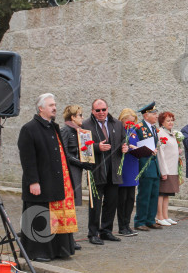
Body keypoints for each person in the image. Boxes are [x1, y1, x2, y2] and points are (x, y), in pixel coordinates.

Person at [17, 93, 77, 262]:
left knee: (54, 217)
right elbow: (27, 158)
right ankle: (37, 252)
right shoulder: (29, 128)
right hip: (40, 182)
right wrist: (33, 181)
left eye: (55, 104)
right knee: (38, 215)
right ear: (41, 108)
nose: (54, 107)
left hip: (55, 182)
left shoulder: (53, 127)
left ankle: (58, 250)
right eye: (50, 105)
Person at [82, 98, 126, 245]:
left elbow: (123, 141)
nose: (101, 113)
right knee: (95, 203)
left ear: (107, 109)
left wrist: (124, 147)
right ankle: (93, 233)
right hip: (96, 170)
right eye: (97, 110)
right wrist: (96, 147)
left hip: (113, 170)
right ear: (92, 111)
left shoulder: (117, 124)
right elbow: (81, 148)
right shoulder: (85, 125)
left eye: (103, 110)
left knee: (111, 202)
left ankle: (106, 231)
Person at [60, 104, 92, 250]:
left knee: (71, 205)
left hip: (76, 169)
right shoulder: (65, 131)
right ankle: (67, 239)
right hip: (70, 170)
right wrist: (80, 162)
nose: (82, 117)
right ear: (72, 117)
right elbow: (65, 153)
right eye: (79, 115)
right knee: (68, 205)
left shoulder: (78, 131)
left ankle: (69, 237)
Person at [133, 102, 162, 231]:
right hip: (144, 164)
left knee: (154, 194)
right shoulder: (139, 128)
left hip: (154, 165)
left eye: (156, 113)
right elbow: (136, 145)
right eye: (153, 114)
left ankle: (150, 219)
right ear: (146, 115)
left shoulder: (153, 128)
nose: (156, 116)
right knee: (144, 194)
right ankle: (140, 221)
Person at [117, 108, 140, 237]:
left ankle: (127, 224)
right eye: (129, 121)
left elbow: (136, 143)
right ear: (123, 120)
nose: (131, 123)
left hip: (133, 165)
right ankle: (122, 226)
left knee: (131, 198)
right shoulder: (120, 130)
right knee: (122, 198)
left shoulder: (133, 131)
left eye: (133, 121)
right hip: (123, 166)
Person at [156, 111, 181, 226]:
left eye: (172, 120)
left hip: (172, 168)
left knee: (167, 194)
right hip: (165, 168)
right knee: (161, 193)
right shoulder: (161, 133)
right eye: (168, 120)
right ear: (162, 122)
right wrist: (163, 171)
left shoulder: (171, 133)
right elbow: (160, 153)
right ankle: (159, 216)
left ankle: (165, 216)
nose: (171, 122)